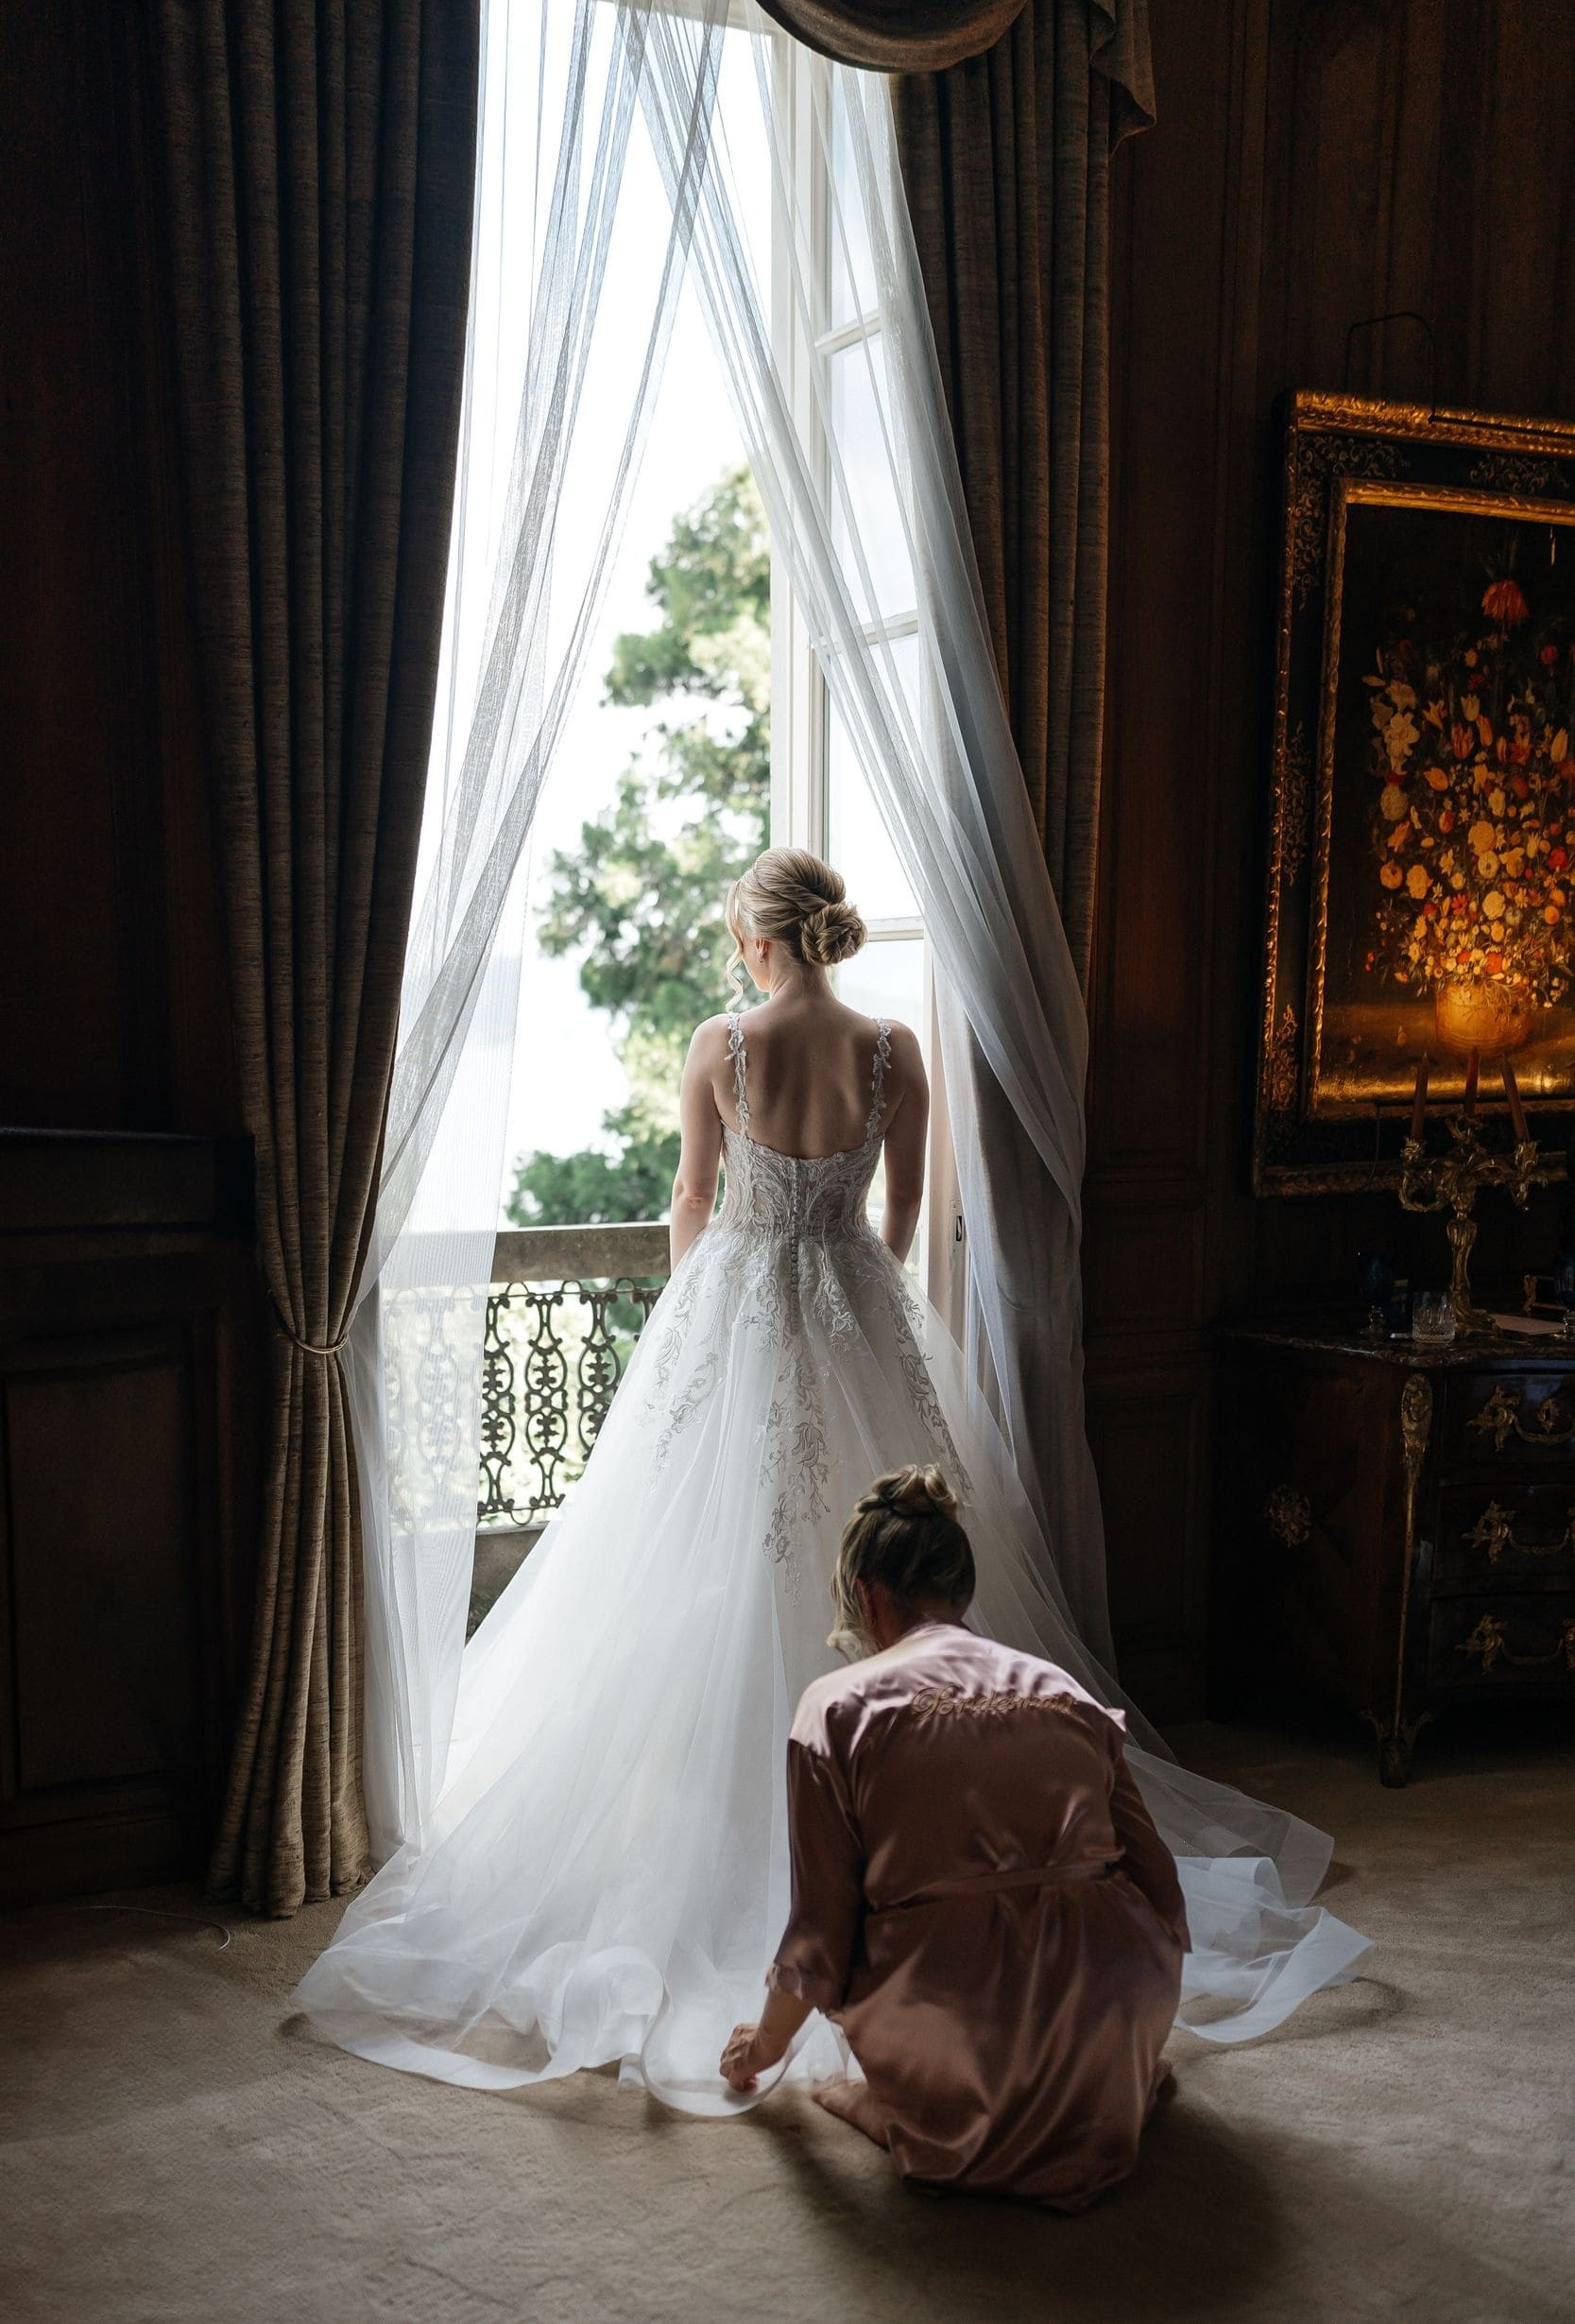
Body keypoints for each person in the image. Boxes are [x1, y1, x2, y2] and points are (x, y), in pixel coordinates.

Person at [295, 848, 1369, 2110]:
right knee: (883, 1555)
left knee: (709, 1569)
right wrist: (850, 1287)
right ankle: (911, 1813)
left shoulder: (720, 1046)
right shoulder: (890, 1051)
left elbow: (689, 1202)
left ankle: (734, 1840)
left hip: (734, 1310)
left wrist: (714, 1301)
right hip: (854, 1300)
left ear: (756, 939)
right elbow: (902, 1213)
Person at [720, 1467, 1185, 2208]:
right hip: (1115, 1990)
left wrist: (766, 2045)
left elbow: (820, 1927)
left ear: (867, 1593)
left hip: (956, 2010)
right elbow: (1156, 1877)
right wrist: (1137, 1999)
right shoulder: (1061, 1687)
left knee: (904, 1976)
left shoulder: (834, 1707)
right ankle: (1098, 2077)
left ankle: (916, 2113)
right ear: (960, 1591)